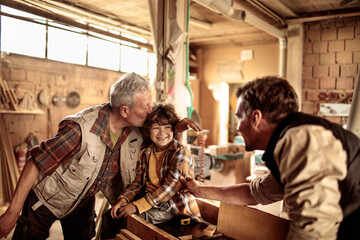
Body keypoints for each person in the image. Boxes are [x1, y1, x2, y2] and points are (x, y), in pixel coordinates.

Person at [0, 72, 201, 240]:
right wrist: (11, 213)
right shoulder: (80, 130)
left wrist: (176, 128)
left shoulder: (134, 129)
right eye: (145, 107)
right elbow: (35, 162)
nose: (150, 112)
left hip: (84, 200)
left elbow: (160, 137)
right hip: (47, 200)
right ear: (124, 110)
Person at [180, 76, 360, 240]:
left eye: (239, 118)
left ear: (255, 118)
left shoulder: (301, 142)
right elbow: (253, 193)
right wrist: (199, 190)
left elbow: (312, 231)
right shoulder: (294, 138)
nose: (238, 128)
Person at [100, 103, 201, 239]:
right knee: (109, 217)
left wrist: (136, 206)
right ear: (148, 131)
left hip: (172, 205)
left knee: (127, 220)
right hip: (151, 200)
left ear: (173, 130)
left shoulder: (180, 151)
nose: (162, 133)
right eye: (156, 128)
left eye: (167, 127)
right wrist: (124, 199)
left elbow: (170, 187)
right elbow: (138, 183)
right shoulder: (146, 153)